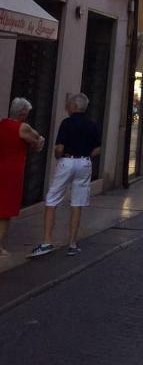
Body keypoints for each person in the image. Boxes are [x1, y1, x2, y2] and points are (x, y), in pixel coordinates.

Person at [29, 93, 101, 258]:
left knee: (52, 198)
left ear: (75, 106)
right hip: (84, 162)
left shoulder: (66, 123)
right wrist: (86, 155)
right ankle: (72, 244)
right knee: (77, 203)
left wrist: (57, 154)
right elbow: (98, 148)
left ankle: (47, 241)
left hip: (67, 161)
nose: (67, 107)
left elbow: (60, 148)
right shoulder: (92, 124)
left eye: (68, 105)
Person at [0, 98, 44, 256]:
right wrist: (38, 141)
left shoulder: (3, 124)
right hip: (12, 172)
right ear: (23, 113)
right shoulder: (23, 127)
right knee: (5, 210)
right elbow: (37, 139)